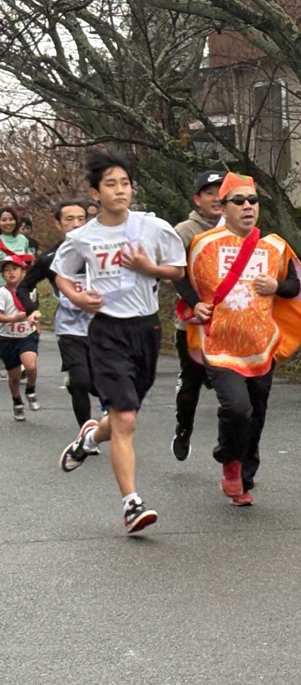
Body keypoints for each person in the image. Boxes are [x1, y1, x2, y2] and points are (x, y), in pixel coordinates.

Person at [54, 148, 187, 535]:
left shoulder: (152, 227)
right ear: (95, 193)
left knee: (123, 417)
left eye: (125, 183)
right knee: (126, 419)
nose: (119, 191)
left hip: (146, 330)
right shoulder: (83, 237)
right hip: (107, 332)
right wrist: (77, 297)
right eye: (110, 184)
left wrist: (150, 269)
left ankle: (90, 436)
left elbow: (177, 269)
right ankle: (132, 505)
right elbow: (61, 273)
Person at [178, 172, 301, 505]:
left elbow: (297, 287)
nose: (248, 206)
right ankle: (229, 460)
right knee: (237, 409)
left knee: (257, 413)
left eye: (253, 201)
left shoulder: (275, 246)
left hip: (261, 345)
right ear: (223, 207)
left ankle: (244, 478)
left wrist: (276, 287)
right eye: (239, 201)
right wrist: (196, 303)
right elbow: (180, 278)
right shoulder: (203, 245)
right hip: (220, 345)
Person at [22, 201, 98, 430]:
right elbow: (24, 286)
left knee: (99, 382)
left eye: (81, 219)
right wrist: (31, 310)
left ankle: (80, 385)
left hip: (102, 325)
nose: (76, 224)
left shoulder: (101, 250)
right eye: (69, 219)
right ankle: (86, 433)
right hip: (70, 326)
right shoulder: (49, 258)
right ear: (58, 224)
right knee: (82, 381)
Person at [170, 170, 225, 461]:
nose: (216, 198)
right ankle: (183, 427)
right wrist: (194, 303)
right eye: (209, 193)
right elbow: (176, 274)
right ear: (197, 198)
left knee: (232, 390)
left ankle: (230, 450)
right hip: (193, 322)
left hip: (230, 323)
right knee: (191, 383)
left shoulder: (236, 229)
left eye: (220, 192)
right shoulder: (185, 231)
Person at [0, 255, 40, 420]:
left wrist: (37, 325)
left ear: (24, 271)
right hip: (7, 337)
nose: (10, 273)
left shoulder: (32, 290)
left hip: (26, 335)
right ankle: (17, 401)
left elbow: (35, 310)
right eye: (6, 270)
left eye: (14, 269)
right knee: (14, 376)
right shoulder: (2, 293)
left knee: (30, 366)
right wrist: (13, 319)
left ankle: (30, 389)